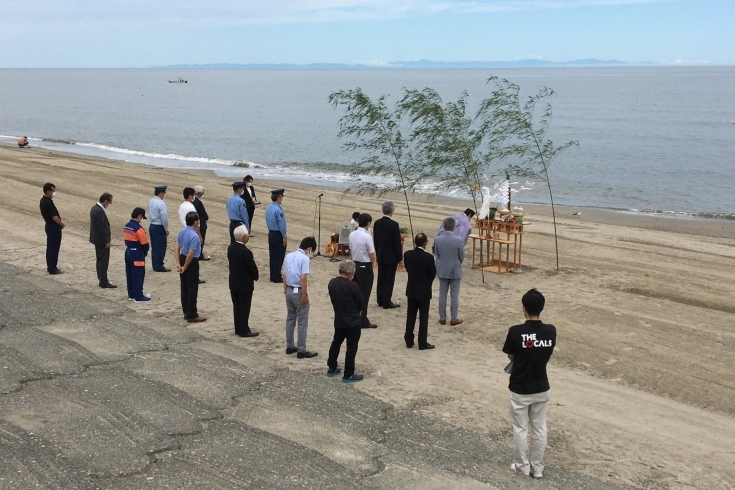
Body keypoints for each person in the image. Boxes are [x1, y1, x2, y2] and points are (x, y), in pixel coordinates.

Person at [502, 289, 556, 479]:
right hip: (541, 385)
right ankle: (538, 467)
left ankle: (522, 466)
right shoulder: (550, 330)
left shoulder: (516, 331)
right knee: (539, 428)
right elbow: (548, 352)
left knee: (520, 429)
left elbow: (511, 355)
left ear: (524, 308)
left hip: (520, 387)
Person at [327, 260, 364, 383]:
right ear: (351, 272)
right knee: (351, 347)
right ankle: (348, 374)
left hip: (339, 318)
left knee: (336, 342)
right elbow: (360, 302)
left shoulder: (332, 283)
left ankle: (332, 367)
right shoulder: (352, 285)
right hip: (352, 321)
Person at [282, 236, 317, 358]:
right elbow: (303, 278)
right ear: (309, 248)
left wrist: (285, 290)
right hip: (298, 290)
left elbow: (284, 275)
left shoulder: (289, 255)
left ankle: (290, 345)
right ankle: (302, 349)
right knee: (302, 321)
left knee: (290, 319)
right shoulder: (304, 258)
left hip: (289, 289)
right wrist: (304, 296)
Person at [403, 233, 437, 350]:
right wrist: (427, 283)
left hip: (412, 288)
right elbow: (432, 273)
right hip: (424, 290)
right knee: (423, 317)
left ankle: (408, 339)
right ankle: (422, 342)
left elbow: (408, 268)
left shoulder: (408, 255)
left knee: (411, 315)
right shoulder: (428, 257)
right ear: (425, 243)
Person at [227, 224, 259, 338]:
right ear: (244, 237)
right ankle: (244, 329)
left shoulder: (230, 248)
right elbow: (252, 267)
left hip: (234, 282)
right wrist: (255, 276)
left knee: (237, 306)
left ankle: (238, 328)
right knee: (245, 306)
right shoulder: (246, 252)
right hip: (245, 284)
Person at [433, 216, 465, 326]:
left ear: (443, 226)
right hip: (455, 269)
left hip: (442, 269)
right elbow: (461, 256)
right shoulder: (458, 240)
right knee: (454, 295)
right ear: (453, 227)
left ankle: (442, 317)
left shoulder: (437, 240)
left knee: (442, 294)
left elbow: (435, 253)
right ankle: (453, 318)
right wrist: (457, 263)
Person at [175, 211, 206, 323]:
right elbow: (191, 253)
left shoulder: (182, 231)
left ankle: (186, 311)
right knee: (192, 287)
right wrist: (185, 266)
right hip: (191, 261)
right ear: (195, 222)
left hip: (183, 257)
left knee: (184, 286)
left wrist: (178, 263)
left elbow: (177, 246)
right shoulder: (194, 236)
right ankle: (192, 314)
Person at [348, 213, 377, 329]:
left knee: (355, 293)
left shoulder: (352, 234)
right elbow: (372, 254)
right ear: (368, 223)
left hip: (355, 264)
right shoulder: (367, 237)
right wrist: (373, 264)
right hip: (365, 265)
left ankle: (355, 316)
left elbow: (351, 249)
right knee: (364, 294)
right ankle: (362, 319)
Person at [373, 201, 403, 309]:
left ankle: (380, 299)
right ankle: (386, 301)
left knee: (381, 277)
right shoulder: (394, 225)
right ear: (392, 211)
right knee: (389, 279)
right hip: (391, 256)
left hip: (381, 254)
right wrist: (400, 258)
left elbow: (375, 240)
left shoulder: (377, 223)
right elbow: (397, 243)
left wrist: (377, 252)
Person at [123, 207, 151, 302]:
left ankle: (131, 295)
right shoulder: (139, 229)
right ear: (139, 216)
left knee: (130, 274)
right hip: (137, 253)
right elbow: (144, 244)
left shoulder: (127, 226)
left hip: (128, 251)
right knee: (138, 274)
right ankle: (138, 296)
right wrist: (145, 252)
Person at [89, 192, 115, 288]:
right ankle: (103, 281)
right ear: (105, 201)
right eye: (108, 203)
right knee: (103, 261)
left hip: (96, 240)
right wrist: (106, 241)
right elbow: (101, 228)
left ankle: (101, 280)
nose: (108, 205)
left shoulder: (94, 208)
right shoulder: (99, 211)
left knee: (99, 260)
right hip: (101, 241)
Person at [39, 183, 65, 274]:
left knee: (50, 247)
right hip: (53, 226)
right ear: (48, 191)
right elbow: (55, 217)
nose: (54, 193)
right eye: (53, 191)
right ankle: (52, 268)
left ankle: (51, 266)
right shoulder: (48, 202)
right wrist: (61, 224)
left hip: (49, 226)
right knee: (54, 248)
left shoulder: (43, 201)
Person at [265, 188, 287, 283]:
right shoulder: (279, 210)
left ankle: (272, 274)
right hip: (278, 233)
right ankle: (276, 275)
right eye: (281, 197)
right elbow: (282, 225)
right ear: (278, 198)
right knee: (279, 255)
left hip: (271, 232)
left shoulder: (268, 208)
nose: (282, 199)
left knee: (272, 255)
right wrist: (284, 236)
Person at [148, 185, 170, 272]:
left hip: (152, 225)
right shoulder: (161, 203)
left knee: (155, 247)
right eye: (164, 193)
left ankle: (156, 264)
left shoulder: (151, 201)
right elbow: (164, 217)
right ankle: (159, 265)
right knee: (160, 247)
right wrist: (166, 228)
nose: (164, 195)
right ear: (161, 193)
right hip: (159, 226)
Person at [192, 186, 210, 260]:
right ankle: (199, 255)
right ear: (199, 193)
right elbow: (203, 213)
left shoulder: (193, 200)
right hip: (201, 223)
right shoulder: (197, 202)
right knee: (201, 239)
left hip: (195, 223)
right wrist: (206, 217)